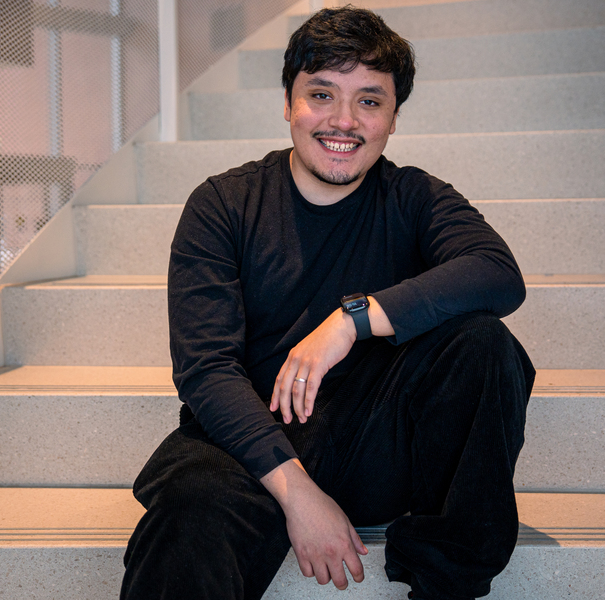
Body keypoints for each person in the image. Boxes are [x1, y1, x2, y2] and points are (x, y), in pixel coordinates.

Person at [120, 6, 535, 600]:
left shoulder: (414, 197)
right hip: (257, 442)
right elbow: (206, 369)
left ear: (393, 119)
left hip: (379, 441)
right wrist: (299, 494)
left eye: (369, 101)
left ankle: (447, 583)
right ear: (288, 105)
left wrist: (351, 320)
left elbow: (497, 275)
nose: (344, 121)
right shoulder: (223, 205)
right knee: (188, 506)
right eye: (321, 94)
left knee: (484, 344)